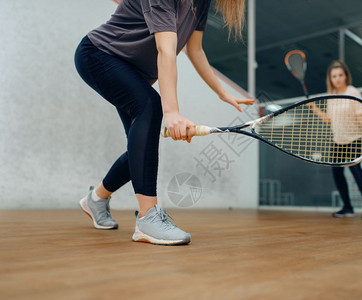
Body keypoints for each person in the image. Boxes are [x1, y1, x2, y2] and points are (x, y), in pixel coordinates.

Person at [74, 0, 254, 245]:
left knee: (141, 146)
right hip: (99, 55)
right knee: (150, 107)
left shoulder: (201, 3)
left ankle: (95, 199)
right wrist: (171, 112)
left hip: (133, 72)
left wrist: (222, 92)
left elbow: (195, 50)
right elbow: (166, 49)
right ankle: (148, 217)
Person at [309, 60, 362, 219]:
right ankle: (347, 207)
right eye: (334, 76)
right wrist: (314, 108)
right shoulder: (330, 96)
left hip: (355, 139)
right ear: (330, 79)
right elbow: (329, 120)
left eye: (340, 75)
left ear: (346, 76)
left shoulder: (353, 92)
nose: (337, 78)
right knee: (337, 173)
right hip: (338, 141)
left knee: (356, 171)